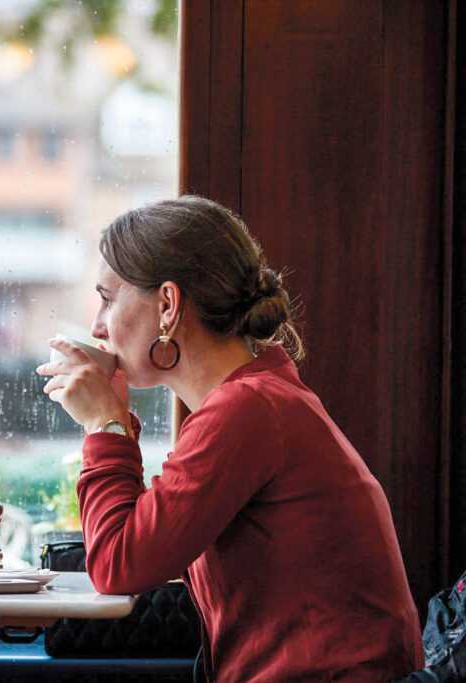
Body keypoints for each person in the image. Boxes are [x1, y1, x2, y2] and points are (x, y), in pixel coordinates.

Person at [36, 195, 423, 682]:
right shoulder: (256, 400)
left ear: (168, 305)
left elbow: (118, 564)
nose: (97, 326)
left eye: (108, 299)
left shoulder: (247, 410)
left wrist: (105, 425)